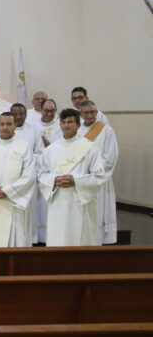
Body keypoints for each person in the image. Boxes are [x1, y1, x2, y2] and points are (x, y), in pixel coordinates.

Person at [38, 109, 109, 246]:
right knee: (59, 240)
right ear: (60, 125)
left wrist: (74, 180)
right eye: (63, 122)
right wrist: (54, 180)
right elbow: (41, 174)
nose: (66, 125)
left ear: (78, 125)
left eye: (70, 122)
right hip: (58, 204)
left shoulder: (90, 148)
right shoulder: (50, 150)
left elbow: (99, 176)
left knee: (80, 241)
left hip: (81, 204)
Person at [0, 113, 37, 247]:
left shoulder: (23, 146)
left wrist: (7, 191)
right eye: (2, 124)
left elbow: (29, 175)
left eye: (9, 124)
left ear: (15, 125)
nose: (5, 127)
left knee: (14, 240)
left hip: (13, 200)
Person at [80, 100, 118, 244]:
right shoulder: (77, 131)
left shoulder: (106, 130)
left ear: (96, 113)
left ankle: (101, 240)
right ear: (81, 114)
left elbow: (110, 158)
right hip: (82, 180)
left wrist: (92, 170)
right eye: (86, 112)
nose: (90, 115)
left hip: (99, 179)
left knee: (100, 211)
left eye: (93, 112)